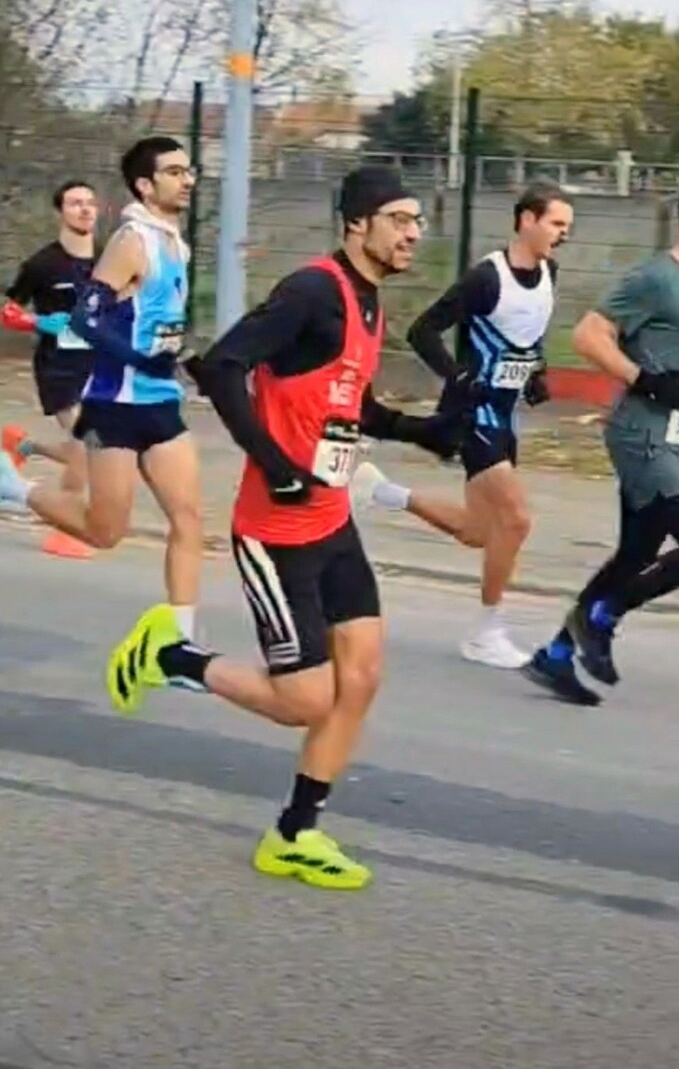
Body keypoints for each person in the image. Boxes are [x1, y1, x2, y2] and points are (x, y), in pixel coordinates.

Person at [104, 166, 463, 891]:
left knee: (359, 678)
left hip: (331, 522)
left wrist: (419, 433)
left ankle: (296, 833)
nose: (412, 232)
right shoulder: (312, 290)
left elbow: (345, 402)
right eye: (398, 218)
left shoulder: (368, 303)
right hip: (276, 530)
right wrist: (271, 463)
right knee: (303, 700)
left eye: (415, 220)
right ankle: (171, 659)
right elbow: (223, 365)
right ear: (356, 223)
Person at [351, 180, 574, 669]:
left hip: (504, 413)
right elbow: (422, 329)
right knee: (515, 520)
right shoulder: (486, 278)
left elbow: (527, 334)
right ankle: (486, 631)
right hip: (472, 413)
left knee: (479, 532)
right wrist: (458, 375)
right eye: (557, 223)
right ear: (527, 219)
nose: (563, 234)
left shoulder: (549, 272)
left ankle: (384, 493)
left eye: (567, 227)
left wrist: (535, 373)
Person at [0, 136, 202, 640]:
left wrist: (180, 361)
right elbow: (86, 319)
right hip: (113, 405)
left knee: (190, 518)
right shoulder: (131, 241)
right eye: (175, 172)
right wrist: (141, 357)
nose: (188, 179)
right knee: (105, 531)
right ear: (145, 184)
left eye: (189, 170)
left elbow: (157, 321)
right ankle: (13, 488)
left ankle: (176, 643)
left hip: (160, 403)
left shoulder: (176, 242)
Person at [525, 184, 679, 705]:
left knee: (635, 552)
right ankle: (602, 614)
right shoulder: (655, 278)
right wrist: (646, 379)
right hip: (644, 434)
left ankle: (555, 653)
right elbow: (588, 335)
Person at [1, 180, 99, 501]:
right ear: (61, 212)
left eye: (90, 203)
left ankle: (24, 446)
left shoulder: (110, 258)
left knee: (103, 447)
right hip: (59, 366)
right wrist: (37, 321)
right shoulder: (43, 264)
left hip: (101, 364)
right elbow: (7, 310)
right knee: (88, 443)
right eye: (75, 203)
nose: (85, 209)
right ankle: (68, 519)